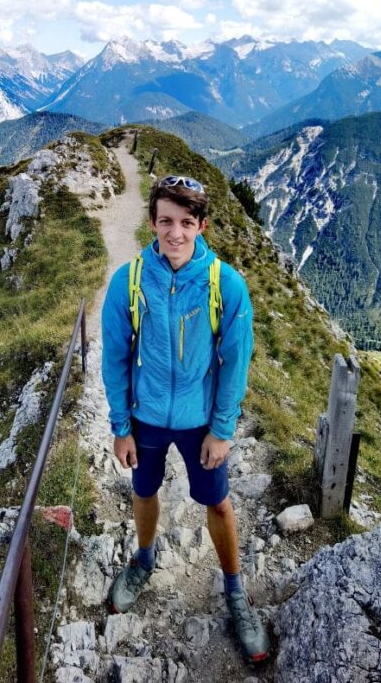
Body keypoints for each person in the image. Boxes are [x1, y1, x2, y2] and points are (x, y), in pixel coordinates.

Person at [101, 174, 270, 664]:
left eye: (186, 223)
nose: (175, 233)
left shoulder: (226, 284)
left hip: (200, 421)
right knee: (143, 491)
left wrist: (222, 430)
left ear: (202, 225)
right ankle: (145, 559)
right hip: (146, 416)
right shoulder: (129, 281)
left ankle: (236, 593)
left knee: (218, 505)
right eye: (166, 221)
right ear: (152, 222)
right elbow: (115, 355)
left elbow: (236, 362)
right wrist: (120, 426)